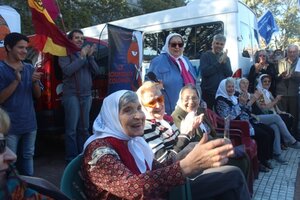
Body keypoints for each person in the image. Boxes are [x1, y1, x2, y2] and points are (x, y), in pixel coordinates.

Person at [82, 90, 250, 200]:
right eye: (127, 110)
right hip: (153, 194)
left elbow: (156, 168)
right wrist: (185, 166)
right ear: (111, 115)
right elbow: (132, 188)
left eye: (139, 108)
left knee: (231, 175)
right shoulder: (99, 150)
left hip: (159, 192)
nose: (138, 116)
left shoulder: (133, 142)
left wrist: (187, 157)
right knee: (231, 178)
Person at [0, 33, 43, 176]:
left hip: (30, 123)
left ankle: (29, 189)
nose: (24, 51)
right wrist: (16, 81)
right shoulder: (1, 69)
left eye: (26, 48)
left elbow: (38, 95)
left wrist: (35, 81)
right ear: (8, 47)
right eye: (20, 47)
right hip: (9, 127)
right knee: (10, 163)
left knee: (28, 156)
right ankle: (12, 191)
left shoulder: (29, 68)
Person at [59, 29, 101, 163]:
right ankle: (72, 159)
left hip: (86, 95)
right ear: (70, 40)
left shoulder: (85, 55)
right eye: (76, 38)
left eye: (82, 38)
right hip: (72, 95)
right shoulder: (64, 54)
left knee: (84, 128)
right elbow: (68, 70)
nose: (80, 40)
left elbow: (97, 71)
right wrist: (82, 57)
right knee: (71, 130)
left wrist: (90, 57)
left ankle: (84, 155)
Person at [215, 78, 274, 172]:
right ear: (223, 88)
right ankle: (260, 162)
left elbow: (246, 110)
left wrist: (246, 104)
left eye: (232, 86)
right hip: (237, 126)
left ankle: (265, 159)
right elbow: (228, 117)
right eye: (228, 87)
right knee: (263, 135)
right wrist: (242, 104)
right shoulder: (220, 100)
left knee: (269, 130)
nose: (231, 89)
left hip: (246, 121)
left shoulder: (235, 96)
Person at [236, 77, 298, 165]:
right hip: (259, 116)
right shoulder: (258, 93)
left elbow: (274, 107)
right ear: (260, 83)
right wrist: (276, 101)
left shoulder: (268, 92)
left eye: (269, 81)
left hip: (268, 114)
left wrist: (280, 111)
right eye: (264, 81)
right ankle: (291, 141)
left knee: (276, 125)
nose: (267, 83)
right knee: (276, 118)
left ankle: (278, 153)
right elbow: (264, 108)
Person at [0, 108, 53, 200]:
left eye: (3, 143)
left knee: (28, 155)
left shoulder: (13, 185)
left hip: (28, 124)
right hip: (16, 127)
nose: (13, 156)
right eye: (0, 145)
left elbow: (37, 95)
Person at [147, 33, 197, 114]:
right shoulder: (158, 62)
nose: (177, 47)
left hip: (189, 107)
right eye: (174, 44)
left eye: (180, 44)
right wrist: (156, 87)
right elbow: (149, 85)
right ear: (168, 46)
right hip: (169, 110)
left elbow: (194, 82)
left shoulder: (186, 61)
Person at [200, 34, 233, 109]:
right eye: (217, 43)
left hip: (222, 93)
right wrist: (219, 62)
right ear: (212, 43)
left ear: (224, 46)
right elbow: (205, 72)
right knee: (209, 116)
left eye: (221, 44)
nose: (219, 46)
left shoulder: (226, 58)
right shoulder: (205, 56)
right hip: (209, 92)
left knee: (221, 116)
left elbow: (229, 74)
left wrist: (224, 63)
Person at [276, 44, 300, 139]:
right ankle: (285, 137)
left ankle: (293, 135)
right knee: (283, 114)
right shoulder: (280, 62)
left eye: (294, 51)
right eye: (290, 52)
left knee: (294, 115)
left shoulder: (299, 62)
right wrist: (280, 75)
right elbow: (275, 76)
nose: (292, 54)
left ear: (298, 52)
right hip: (281, 92)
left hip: (294, 93)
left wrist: (292, 75)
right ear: (287, 52)